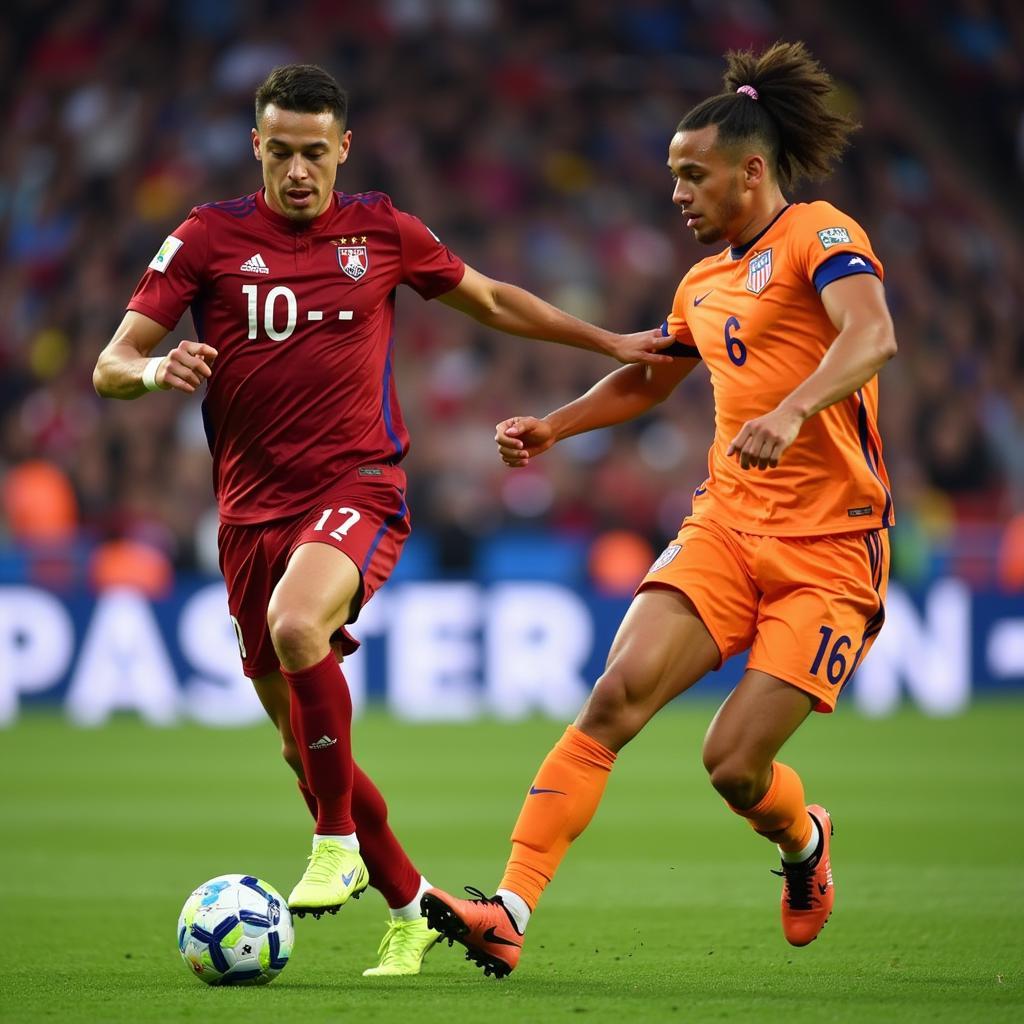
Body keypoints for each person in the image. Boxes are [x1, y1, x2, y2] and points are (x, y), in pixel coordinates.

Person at [92, 63, 671, 977]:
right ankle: (413, 908)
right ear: (256, 146)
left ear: (342, 149)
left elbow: (488, 297)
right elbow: (109, 363)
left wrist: (607, 342)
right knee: (300, 745)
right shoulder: (207, 237)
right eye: (279, 151)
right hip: (248, 519)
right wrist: (153, 371)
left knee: (296, 624)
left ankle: (333, 845)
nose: (295, 171)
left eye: (313, 153)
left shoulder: (381, 228)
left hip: (358, 486)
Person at [421, 40, 897, 978]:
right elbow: (653, 379)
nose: (677, 194)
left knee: (732, 767)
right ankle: (508, 909)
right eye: (671, 177)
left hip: (832, 551)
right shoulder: (701, 282)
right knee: (613, 697)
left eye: (693, 175)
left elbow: (874, 334)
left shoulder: (821, 236)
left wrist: (796, 407)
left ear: (751, 172)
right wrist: (556, 428)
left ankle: (804, 842)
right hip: (726, 526)